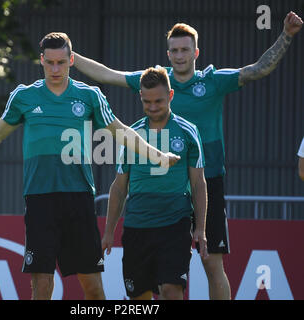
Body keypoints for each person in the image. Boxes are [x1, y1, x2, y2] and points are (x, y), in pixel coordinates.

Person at [73, 11, 303, 300]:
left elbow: (258, 69)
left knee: (211, 262)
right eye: (174, 50)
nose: (179, 55)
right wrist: (72, 56)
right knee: (159, 281)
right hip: (166, 189)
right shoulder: (158, 83)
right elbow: (107, 74)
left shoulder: (214, 81)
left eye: (185, 50)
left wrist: (287, 35)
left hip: (206, 181)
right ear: (167, 54)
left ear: (196, 52)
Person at [0, 32, 180, 300]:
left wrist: (157, 155)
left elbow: (121, 131)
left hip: (78, 198)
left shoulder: (89, 96)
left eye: (61, 63)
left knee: (93, 287)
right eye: (50, 62)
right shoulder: (24, 97)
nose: (55, 69)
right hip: (40, 199)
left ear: (71, 60)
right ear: (41, 60)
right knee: (42, 284)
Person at [102, 67, 208, 300]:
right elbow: (119, 187)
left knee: (171, 291)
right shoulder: (131, 135)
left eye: (158, 101)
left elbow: (198, 183)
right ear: (140, 97)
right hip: (137, 227)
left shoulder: (188, 131)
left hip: (175, 225)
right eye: (146, 101)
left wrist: (200, 228)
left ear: (170, 95)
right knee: (140, 298)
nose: (152, 107)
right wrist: (108, 231)